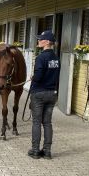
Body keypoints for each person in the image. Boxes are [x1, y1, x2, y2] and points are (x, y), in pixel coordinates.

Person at [28, 30, 60, 160]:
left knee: (36, 122)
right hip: (52, 93)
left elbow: (39, 76)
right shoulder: (56, 58)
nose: (39, 41)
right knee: (47, 123)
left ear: (47, 42)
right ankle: (47, 151)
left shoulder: (41, 57)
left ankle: (35, 150)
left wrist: (33, 78)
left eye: (41, 39)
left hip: (39, 93)